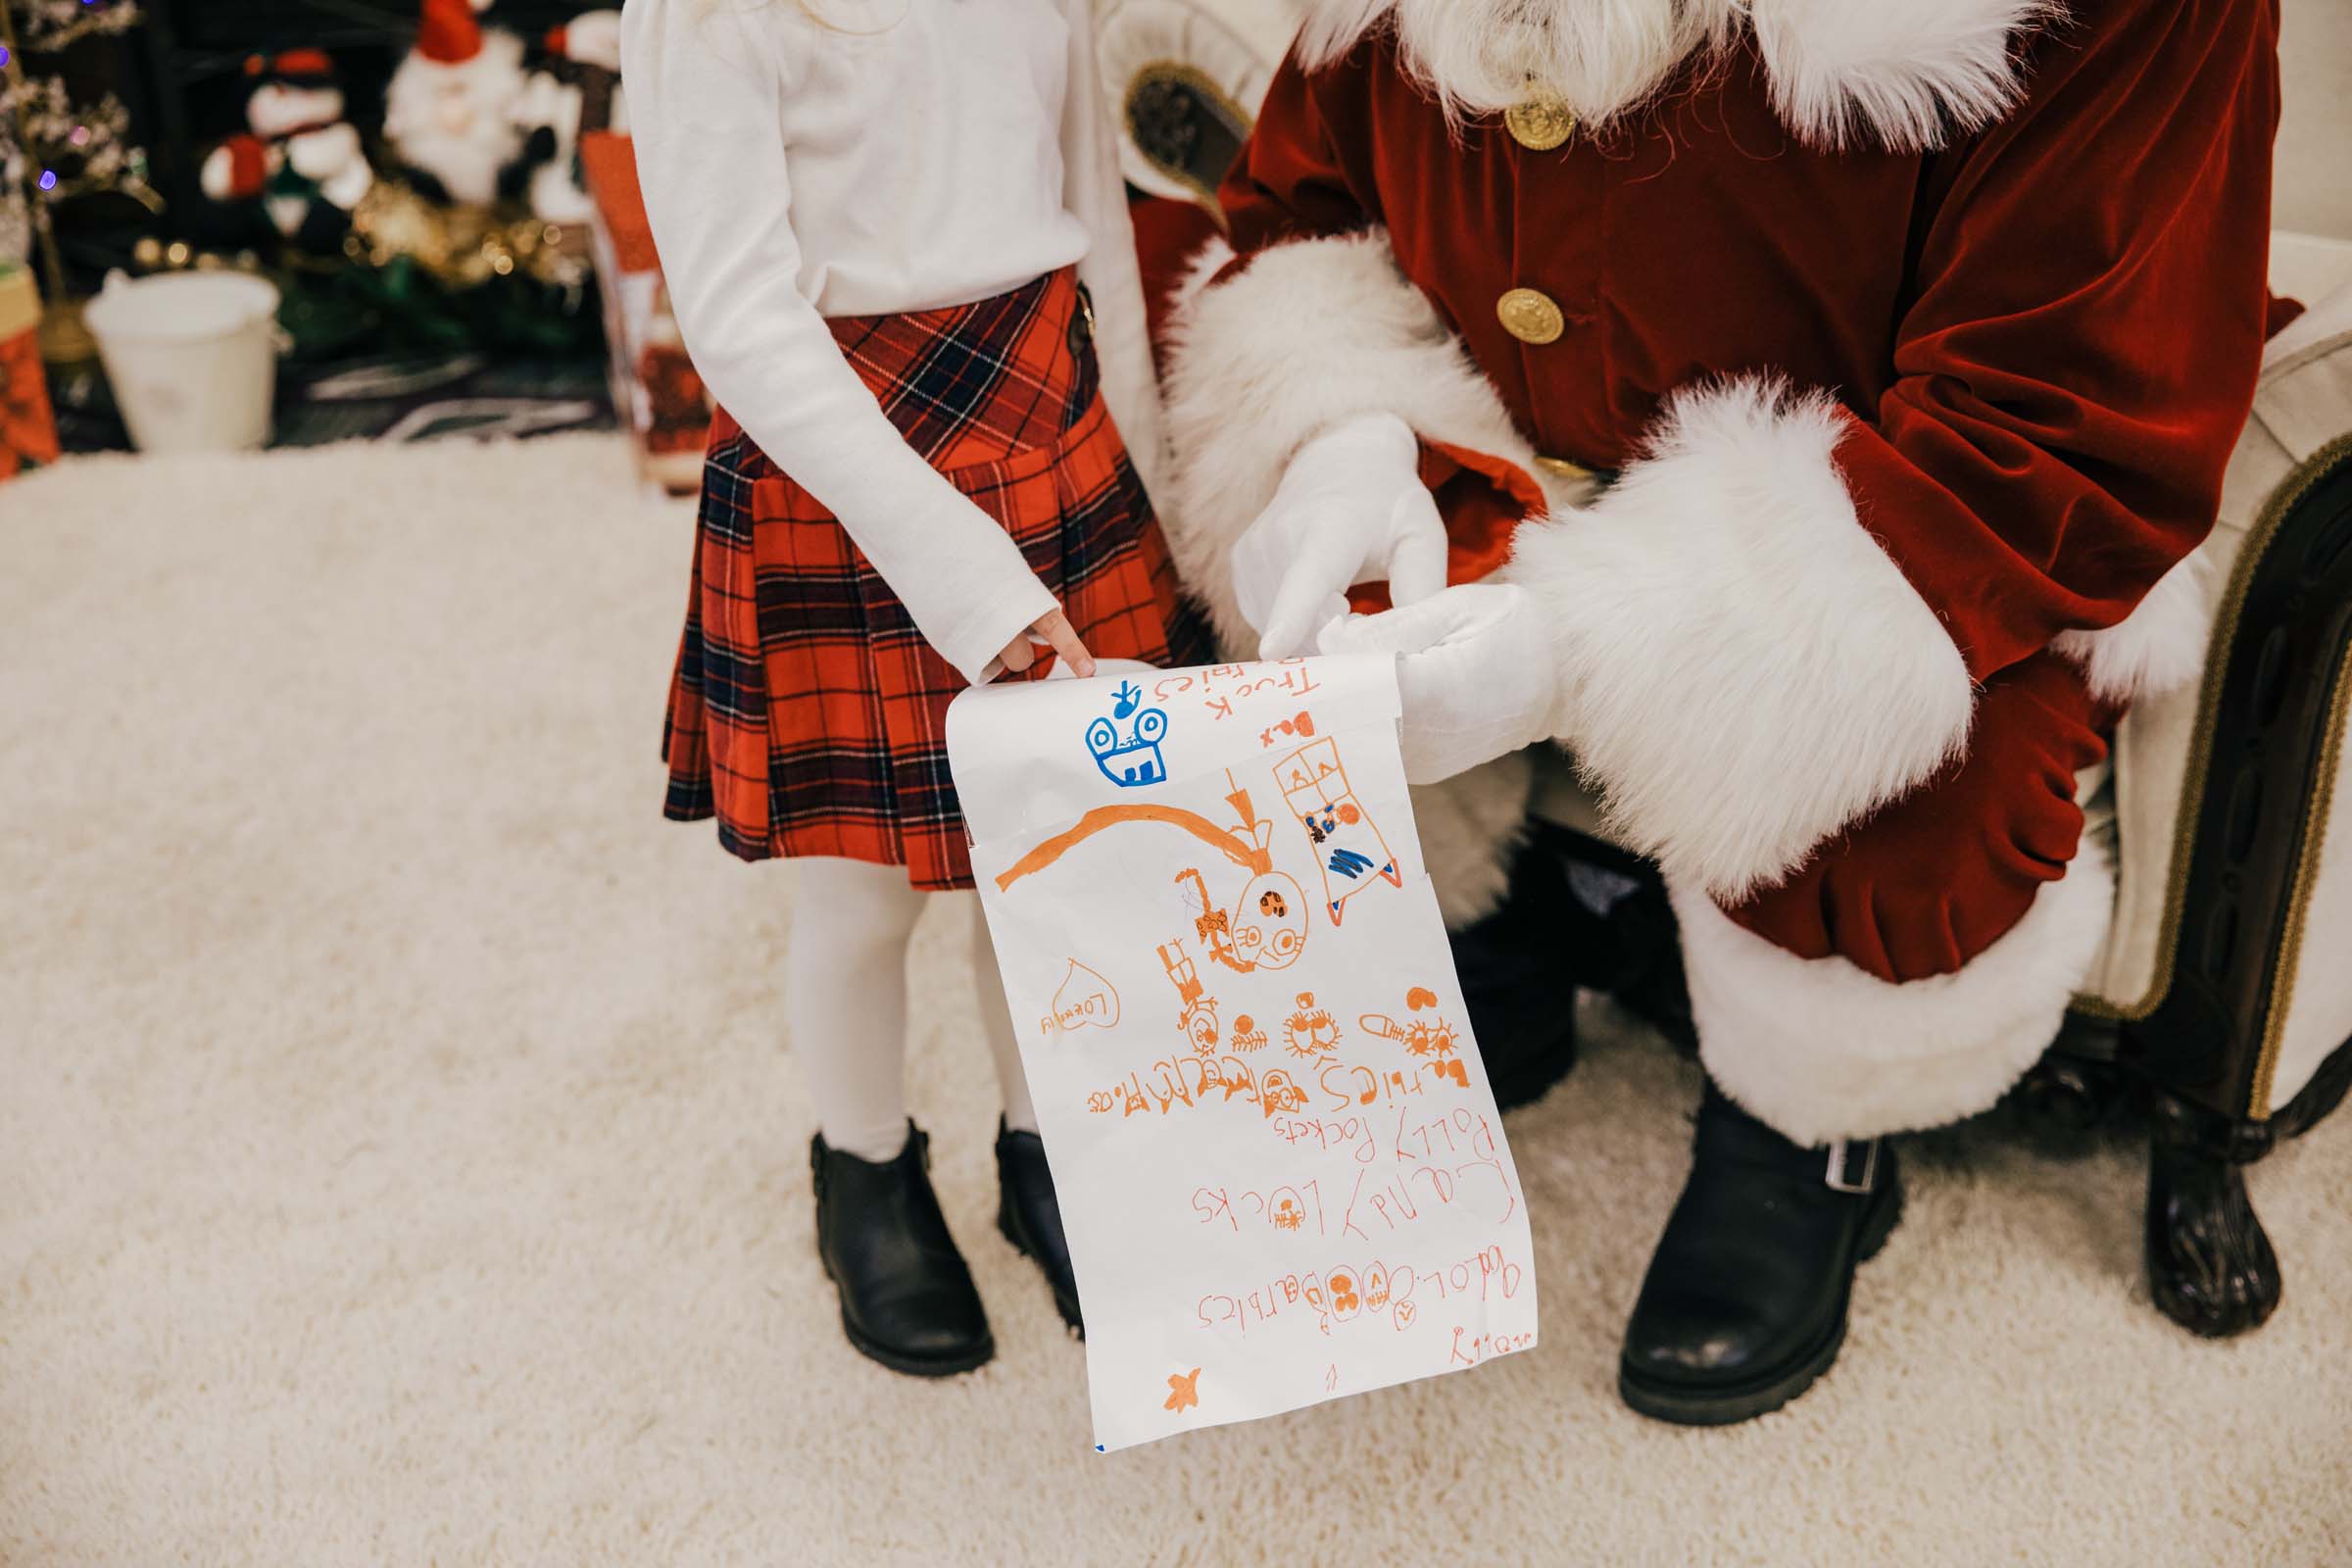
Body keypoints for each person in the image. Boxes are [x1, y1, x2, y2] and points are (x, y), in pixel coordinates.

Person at [1152, 0, 2279, 1423]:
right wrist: (1342, 428)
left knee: (1910, 779)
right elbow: (1308, 204)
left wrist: (1573, 652)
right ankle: (1499, 940)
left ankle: (1805, 1118)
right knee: (1331, 605)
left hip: (1901, 518)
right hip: (1500, 435)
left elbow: (2045, 430)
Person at [621, 0, 1208, 1377]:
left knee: (1053, 857)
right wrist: (970, 579)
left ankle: (1045, 1151)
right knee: (862, 896)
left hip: (1048, 418)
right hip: (847, 468)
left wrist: (1162, 488)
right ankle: (865, 1170)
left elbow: (1093, 224)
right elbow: (739, 317)